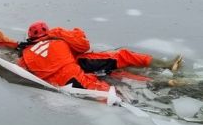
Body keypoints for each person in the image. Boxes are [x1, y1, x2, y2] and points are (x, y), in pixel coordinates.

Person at [17, 22, 183, 92]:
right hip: (76, 64)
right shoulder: (57, 38)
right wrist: (59, 33)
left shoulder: (25, 54)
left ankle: (163, 83)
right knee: (120, 57)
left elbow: (24, 72)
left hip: (68, 74)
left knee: (106, 88)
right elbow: (82, 44)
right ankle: (165, 65)